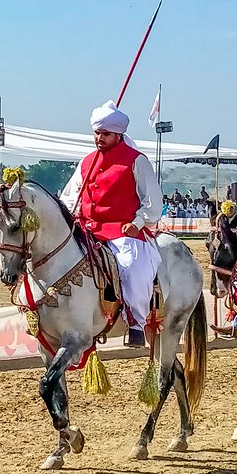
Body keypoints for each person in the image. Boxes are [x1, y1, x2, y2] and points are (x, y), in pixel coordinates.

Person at [60, 99, 163, 348]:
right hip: (86, 229)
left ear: (118, 134)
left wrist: (139, 222)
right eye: (97, 133)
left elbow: (153, 202)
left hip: (122, 230)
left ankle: (136, 321)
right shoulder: (86, 162)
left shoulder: (137, 161)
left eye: (105, 134)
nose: (99, 138)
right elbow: (69, 197)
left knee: (130, 265)